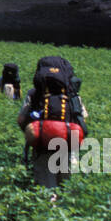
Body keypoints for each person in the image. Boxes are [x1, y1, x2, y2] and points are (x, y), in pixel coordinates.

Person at [16, 56, 87, 197]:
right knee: (67, 189)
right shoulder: (72, 95)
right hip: (67, 146)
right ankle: (67, 215)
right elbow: (83, 117)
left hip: (42, 147)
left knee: (47, 191)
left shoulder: (34, 93)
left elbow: (21, 119)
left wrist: (35, 131)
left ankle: (49, 216)